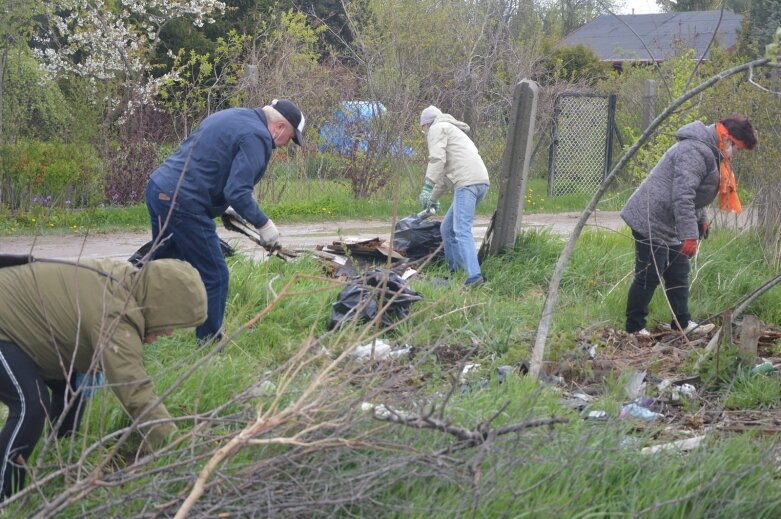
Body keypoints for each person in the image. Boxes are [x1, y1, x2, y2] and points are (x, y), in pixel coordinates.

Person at [0, 256, 207, 500]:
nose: (170, 331)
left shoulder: (128, 281)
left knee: (71, 387)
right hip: (6, 324)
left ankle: (59, 459)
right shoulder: (115, 316)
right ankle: (6, 498)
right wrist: (178, 448)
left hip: (25, 327)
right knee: (31, 406)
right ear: (159, 305)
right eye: (171, 322)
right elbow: (135, 391)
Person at [146, 99, 305, 342]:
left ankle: (124, 310)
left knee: (163, 263)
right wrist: (264, 224)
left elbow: (209, 161)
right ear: (280, 127)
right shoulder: (259, 137)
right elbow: (238, 191)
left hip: (160, 189)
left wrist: (224, 205)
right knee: (215, 274)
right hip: (183, 202)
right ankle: (209, 343)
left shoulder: (234, 115)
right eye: (290, 139)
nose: (284, 146)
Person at [620, 114, 757, 336]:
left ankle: (682, 324)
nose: (735, 153)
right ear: (726, 137)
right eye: (736, 147)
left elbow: (695, 193)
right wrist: (690, 235)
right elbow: (683, 195)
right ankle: (634, 328)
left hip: (671, 220)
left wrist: (700, 220)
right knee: (649, 275)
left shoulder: (710, 150)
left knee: (678, 273)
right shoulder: (694, 150)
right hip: (651, 217)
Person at [418, 105, 490, 287]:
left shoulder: (436, 128)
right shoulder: (452, 131)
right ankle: (456, 271)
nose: (424, 133)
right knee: (447, 228)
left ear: (426, 124)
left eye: (423, 129)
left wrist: (427, 186)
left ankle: (474, 277)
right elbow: (444, 173)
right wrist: (433, 198)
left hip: (467, 183)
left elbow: (437, 159)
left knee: (461, 229)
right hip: (480, 182)